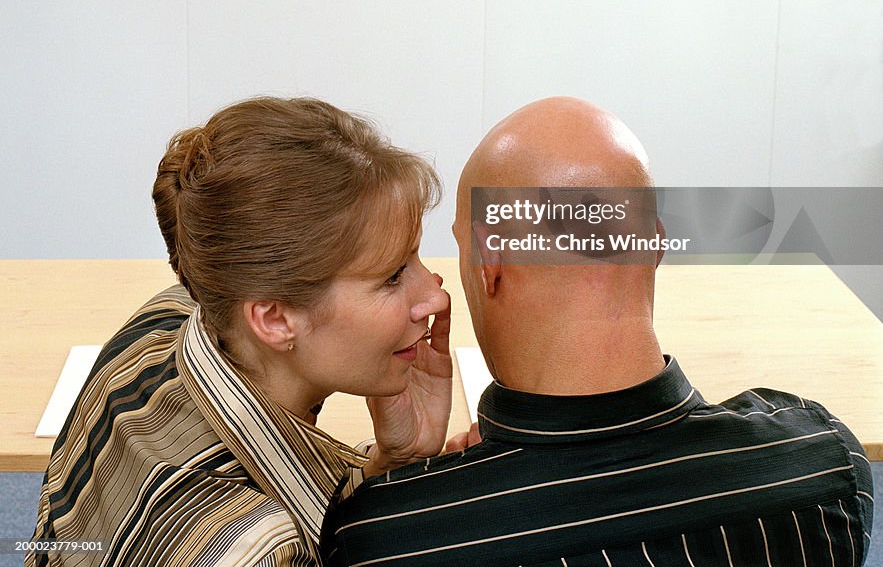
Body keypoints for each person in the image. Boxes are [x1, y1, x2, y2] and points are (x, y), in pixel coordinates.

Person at [322, 96, 874, 567]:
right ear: (654, 244)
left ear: (491, 258)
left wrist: (400, 472)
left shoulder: (384, 541)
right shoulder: (825, 465)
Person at [28, 96, 451, 567]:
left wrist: (391, 463)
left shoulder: (163, 320)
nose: (435, 297)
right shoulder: (255, 548)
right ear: (273, 320)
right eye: (393, 275)